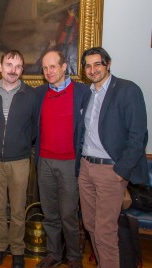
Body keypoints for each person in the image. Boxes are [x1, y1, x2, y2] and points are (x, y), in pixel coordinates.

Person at [77, 47, 148, 267]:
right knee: (90, 226)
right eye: (88, 66)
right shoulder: (88, 94)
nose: (92, 69)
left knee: (105, 232)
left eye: (97, 64)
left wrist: (121, 172)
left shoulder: (127, 90)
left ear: (108, 64)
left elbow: (139, 135)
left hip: (110, 171)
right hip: (86, 168)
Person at [0, 50, 38, 268]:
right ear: (0, 67)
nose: (12, 70)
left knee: (17, 210)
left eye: (17, 66)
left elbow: (35, 127)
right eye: (9, 65)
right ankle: (0, 247)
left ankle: (17, 250)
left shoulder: (31, 96)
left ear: (22, 70)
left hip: (20, 161)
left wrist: (21, 143)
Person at [34, 50, 89, 268]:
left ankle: (74, 257)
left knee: (68, 214)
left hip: (70, 163)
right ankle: (54, 254)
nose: (49, 72)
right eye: (45, 68)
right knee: (50, 213)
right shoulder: (39, 93)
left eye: (53, 67)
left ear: (64, 67)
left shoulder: (83, 92)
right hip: (44, 162)